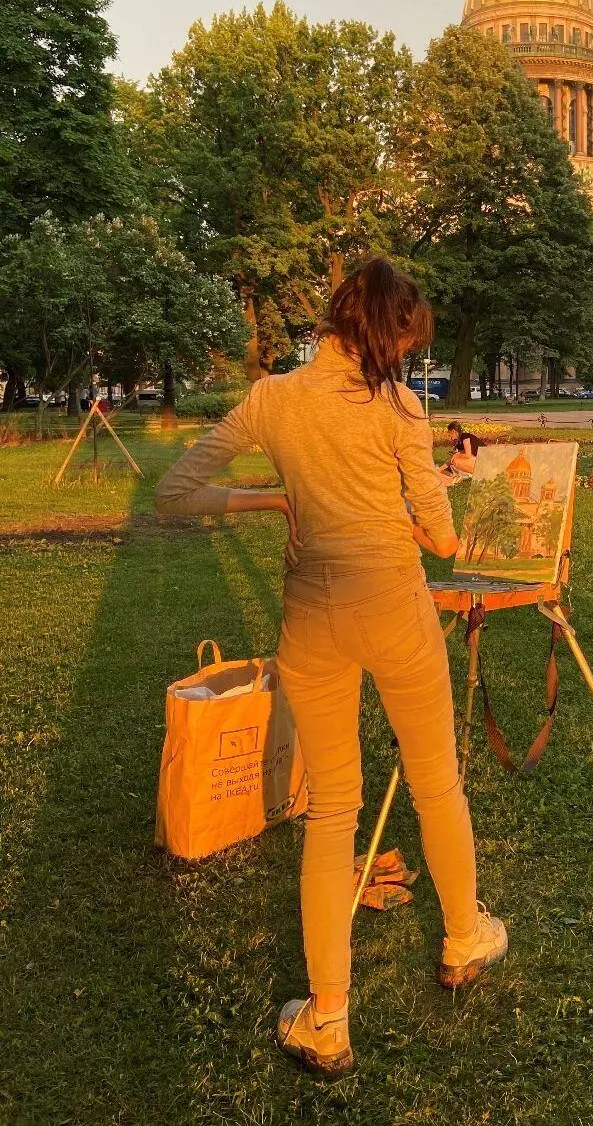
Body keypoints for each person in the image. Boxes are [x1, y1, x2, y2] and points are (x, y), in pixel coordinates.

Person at [155, 258, 506, 1077]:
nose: (405, 358)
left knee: (332, 814)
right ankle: (462, 937)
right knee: (435, 783)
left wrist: (276, 500)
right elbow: (444, 542)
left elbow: (176, 491)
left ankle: (328, 1018)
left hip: (311, 619)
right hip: (393, 608)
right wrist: (447, 478)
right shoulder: (396, 406)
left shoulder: (273, 398)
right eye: (405, 341)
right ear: (383, 334)